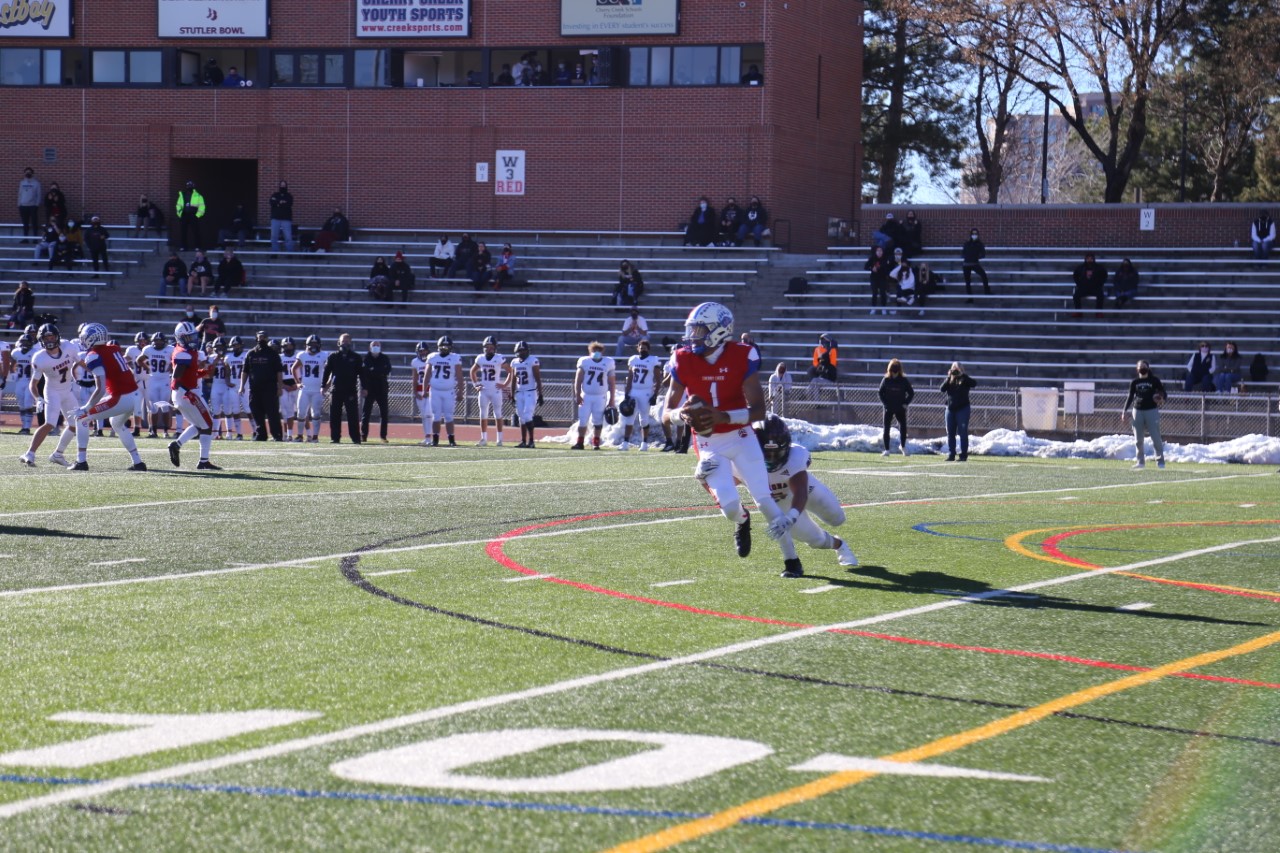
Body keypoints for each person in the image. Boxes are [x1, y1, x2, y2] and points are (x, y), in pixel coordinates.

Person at [666, 302, 804, 578]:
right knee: (730, 507)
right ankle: (743, 520)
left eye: (699, 329)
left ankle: (792, 561)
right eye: (692, 329)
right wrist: (683, 416)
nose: (693, 335)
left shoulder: (742, 355)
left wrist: (722, 417)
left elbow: (759, 411)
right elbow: (665, 412)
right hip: (708, 445)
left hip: (741, 437)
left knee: (765, 501)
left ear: (719, 331)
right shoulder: (682, 358)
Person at [754, 415, 858, 567]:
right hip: (781, 502)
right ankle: (840, 546)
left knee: (837, 518)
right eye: (766, 453)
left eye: (777, 453)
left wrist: (791, 517)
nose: (771, 458)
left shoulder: (795, 457)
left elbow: (801, 491)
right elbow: (718, 484)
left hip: (806, 491)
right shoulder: (741, 464)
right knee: (815, 540)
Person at [64, 323, 146, 471]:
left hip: (122, 397)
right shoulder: (113, 348)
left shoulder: (94, 356)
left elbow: (101, 389)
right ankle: (138, 462)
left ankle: (81, 461)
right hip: (135, 395)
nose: (82, 340)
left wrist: (86, 408)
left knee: (82, 418)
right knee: (117, 423)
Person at [20, 323, 84, 469]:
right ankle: (29, 453)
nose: (49, 339)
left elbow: (81, 362)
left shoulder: (68, 346)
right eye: (46, 337)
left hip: (67, 391)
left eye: (51, 336)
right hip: (52, 391)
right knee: (50, 423)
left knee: (75, 424)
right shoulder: (39, 357)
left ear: (57, 336)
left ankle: (58, 454)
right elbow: (33, 384)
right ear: (41, 339)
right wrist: (38, 398)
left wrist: (96, 374)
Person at [165, 321, 220, 470]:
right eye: (189, 338)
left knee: (199, 424)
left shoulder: (184, 351)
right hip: (187, 394)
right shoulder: (184, 354)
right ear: (181, 338)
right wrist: (186, 392)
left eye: (193, 336)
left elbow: (188, 374)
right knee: (207, 425)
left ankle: (176, 445)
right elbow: (176, 377)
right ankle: (203, 461)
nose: (193, 340)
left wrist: (201, 373)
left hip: (185, 393)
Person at [239, 330, 284, 441]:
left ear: (267, 339)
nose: (261, 339)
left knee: (272, 413)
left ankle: (277, 435)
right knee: (257, 413)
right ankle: (261, 434)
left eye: (264, 337)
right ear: (256, 338)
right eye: (259, 337)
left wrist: (280, 387)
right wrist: (241, 386)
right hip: (254, 388)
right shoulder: (251, 353)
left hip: (270, 388)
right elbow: (245, 371)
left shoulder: (273, 354)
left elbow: (279, 371)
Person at [1122, 360, 1166, 470]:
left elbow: (1163, 392)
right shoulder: (1135, 382)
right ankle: (1140, 462)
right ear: (1137, 369)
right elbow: (1130, 397)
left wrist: (1162, 398)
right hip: (1137, 410)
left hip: (1151, 410)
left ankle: (1160, 461)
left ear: (1148, 368)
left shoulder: (1154, 380)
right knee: (1138, 439)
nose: (1142, 368)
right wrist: (1124, 411)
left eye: (1144, 366)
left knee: (1156, 437)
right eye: (1140, 366)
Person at [572, 341, 616, 450]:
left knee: (598, 420)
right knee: (583, 420)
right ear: (590, 351)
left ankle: (596, 443)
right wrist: (577, 394)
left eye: (598, 351)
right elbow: (578, 379)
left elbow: (612, 382)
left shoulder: (608, 362)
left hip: (600, 396)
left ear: (602, 352)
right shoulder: (584, 361)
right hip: (586, 395)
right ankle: (580, 442)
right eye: (594, 351)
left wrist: (612, 399)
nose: (596, 352)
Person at [621, 338, 662, 451]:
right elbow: (630, 377)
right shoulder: (633, 359)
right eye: (640, 347)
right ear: (637, 348)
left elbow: (658, 380)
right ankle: (625, 443)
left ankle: (644, 443)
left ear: (648, 349)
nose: (642, 349)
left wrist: (655, 394)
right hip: (634, 391)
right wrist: (627, 392)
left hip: (646, 392)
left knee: (643, 419)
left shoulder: (653, 360)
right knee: (629, 418)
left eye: (644, 348)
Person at [424, 335, 463, 446]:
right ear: (438, 346)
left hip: (448, 391)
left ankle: (451, 440)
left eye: (447, 346)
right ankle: (435, 439)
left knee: (449, 416)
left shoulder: (455, 357)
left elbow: (460, 376)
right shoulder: (432, 357)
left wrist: (460, 391)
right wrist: (424, 389)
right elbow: (427, 375)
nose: (445, 348)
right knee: (435, 416)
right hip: (435, 390)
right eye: (443, 346)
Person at [470, 336, 508, 447]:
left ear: (495, 348)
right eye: (487, 347)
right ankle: (483, 439)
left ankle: (499, 439)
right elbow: (472, 372)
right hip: (484, 390)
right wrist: (476, 385)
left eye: (492, 347)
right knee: (483, 414)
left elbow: (510, 371)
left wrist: (505, 384)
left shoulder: (499, 358)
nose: (489, 349)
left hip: (495, 390)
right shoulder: (480, 358)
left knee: (498, 414)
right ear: (484, 348)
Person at [506, 340, 543, 448]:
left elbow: (538, 379)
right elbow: (513, 380)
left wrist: (540, 394)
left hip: (530, 392)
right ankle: (523, 441)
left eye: (524, 350)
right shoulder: (514, 362)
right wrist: (512, 394)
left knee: (527, 416)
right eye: (520, 350)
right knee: (521, 417)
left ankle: (531, 441)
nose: (522, 352)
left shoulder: (533, 361)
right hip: (519, 392)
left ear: (527, 351)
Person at [940, 362, 977, 462]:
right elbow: (942, 389)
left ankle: (963, 455)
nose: (956, 371)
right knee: (950, 433)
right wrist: (949, 377)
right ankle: (951, 454)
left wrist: (962, 375)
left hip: (963, 409)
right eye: (954, 369)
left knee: (962, 432)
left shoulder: (965, 379)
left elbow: (974, 383)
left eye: (957, 369)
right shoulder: (950, 379)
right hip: (950, 409)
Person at [294, 335, 328, 442]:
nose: (313, 346)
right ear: (307, 345)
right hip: (304, 389)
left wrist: (326, 385)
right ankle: (300, 436)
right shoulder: (302, 355)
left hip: (317, 390)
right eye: (311, 344)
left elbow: (329, 371)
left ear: (319, 345)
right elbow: (293, 368)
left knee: (316, 414)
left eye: (315, 344)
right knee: (300, 413)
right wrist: (297, 383)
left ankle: (315, 437)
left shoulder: (324, 355)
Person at [878, 358, 914, 456]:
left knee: (903, 427)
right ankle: (887, 450)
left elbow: (911, 393)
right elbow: (880, 393)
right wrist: (885, 404)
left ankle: (903, 446)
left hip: (900, 408)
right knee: (886, 429)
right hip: (888, 408)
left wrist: (905, 403)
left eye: (896, 371)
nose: (894, 374)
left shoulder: (904, 380)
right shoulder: (886, 380)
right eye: (892, 371)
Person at [360, 339, 392, 443]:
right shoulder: (366, 358)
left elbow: (387, 370)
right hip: (369, 389)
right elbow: (364, 373)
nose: (376, 347)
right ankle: (363, 435)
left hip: (382, 388)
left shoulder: (384, 358)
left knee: (384, 413)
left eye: (377, 345)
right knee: (366, 413)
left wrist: (374, 370)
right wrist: (378, 371)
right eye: (374, 345)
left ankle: (383, 436)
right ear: (370, 347)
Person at [8, 332, 37, 434]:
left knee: (28, 403)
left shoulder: (35, 352)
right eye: (23, 342)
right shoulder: (16, 352)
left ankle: (27, 427)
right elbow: (12, 364)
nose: (24, 344)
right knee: (21, 405)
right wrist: (12, 372)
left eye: (26, 342)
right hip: (20, 381)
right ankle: (23, 426)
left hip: (31, 381)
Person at [410, 341, 433, 445]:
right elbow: (414, 378)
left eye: (424, 350)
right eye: (421, 351)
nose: (423, 352)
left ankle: (432, 437)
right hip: (419, 390)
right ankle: (427, 437)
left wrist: (431, 391)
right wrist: (415, 392)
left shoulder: (432, 360)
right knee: (424, 415)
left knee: (429, 414)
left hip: (430, 390)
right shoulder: (415, 362)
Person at [961, 228, 990, 302]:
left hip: (975, 263)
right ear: (970, 235)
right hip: (966, 264)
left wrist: (976, 257)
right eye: (973, 234)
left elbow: (983, 254)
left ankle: (987, 291)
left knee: (984, 276)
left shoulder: (980, 244)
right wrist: (968, 256)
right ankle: (970, 298)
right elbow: (963, 253)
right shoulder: (967, 243)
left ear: (978, 235)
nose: (974, 235)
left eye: (975, 234)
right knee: (967, 282)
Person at [176, 180, 205, 251]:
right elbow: (178, 205)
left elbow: (202, 207)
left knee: (196, 231)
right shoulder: (182, 195)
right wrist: (180, 214)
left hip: (193, 215)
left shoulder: (198, 196)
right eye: (188, 185)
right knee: (183, 231)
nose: (189, 187)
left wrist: (197, 215)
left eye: (190, 185)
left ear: (193, 186)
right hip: (184, 215)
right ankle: (183, 246)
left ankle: (198, 246)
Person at [864, 244, 891, 313]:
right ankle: (873, 307)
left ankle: (883, 308)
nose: (879, 252)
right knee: (874, 293)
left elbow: (887, 268)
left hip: (883, 278)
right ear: (875, 252)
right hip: (874, 278)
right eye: (878, 251)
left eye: (880, 250)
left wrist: (881, 268)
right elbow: (866, 267)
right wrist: (871, 268)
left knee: (883, 293)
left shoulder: (885, 259)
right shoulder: (872, 258)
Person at [269, 180, 294, 253]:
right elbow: (271, 202)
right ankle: (274, 252)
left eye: (284, 185)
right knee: (274, 236)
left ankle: (289, 252)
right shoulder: (275, 195)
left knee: (288, 237)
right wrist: (281, 202)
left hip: (286, 219)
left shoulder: (289, 196)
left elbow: (289, 204)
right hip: (275, 218)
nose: (283, 186)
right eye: (281, 185)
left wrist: (278, 203)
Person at [18, 167, 41, 239]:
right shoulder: (22, 183)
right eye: (26, 172)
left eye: (29, 172)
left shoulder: (36, 183)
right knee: (25, 223)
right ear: (24, 173)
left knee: (34, 223)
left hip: (32, 206)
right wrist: (19, 204)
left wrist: (37, 204)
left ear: (32, 173)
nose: (28, 173)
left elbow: (39, 194)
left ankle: (35, 238)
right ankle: (25, 238)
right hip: (23, 206)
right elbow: (20, 194)